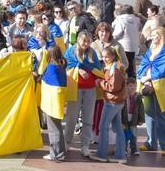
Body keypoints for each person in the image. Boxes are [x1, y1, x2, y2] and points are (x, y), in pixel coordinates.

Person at [137, 27, 165, 156]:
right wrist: (146, 80)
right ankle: (151, 142)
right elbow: (144, 64)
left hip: (162, 86)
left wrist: (149, 77)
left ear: (162, 36)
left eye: (155, 35)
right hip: (148, 84)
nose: (152, 37)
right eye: (152, 35)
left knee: (163, 115)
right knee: (149, 113)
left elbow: (164, 70)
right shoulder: (150, 50)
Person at [64, 30, 100, 158]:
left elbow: (97, 67)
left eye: (88, 41)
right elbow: (66, 65)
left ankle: (85, 145)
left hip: (90, 88)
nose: (86, 43)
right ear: (78, 40)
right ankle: (66, 142)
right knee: (71, 118)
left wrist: (97, 77)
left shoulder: (92, 52)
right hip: (75, 87)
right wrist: (78, 69)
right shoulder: (70, 52)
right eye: (84, 40)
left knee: (88, 118)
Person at [93, 46, 127, 163]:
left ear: (112, 56)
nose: (104, 59)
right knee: (118, 127)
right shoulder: (115, 67)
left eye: (106, 56)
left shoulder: (115, 68)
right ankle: (120, 155)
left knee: (104, 126)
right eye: (102, 56)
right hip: (118, 101)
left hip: (112, 101)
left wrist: (100, 83)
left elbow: (113, 86)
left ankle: (102, 154)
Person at [41, 45, 68, 162]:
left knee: (53, 129)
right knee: (58, 127)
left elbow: (46, 77)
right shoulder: (61, 65)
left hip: (51, 101)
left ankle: (56, 154)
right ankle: (61, 151)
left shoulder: (52, 67)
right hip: (58, 101)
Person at [112, 5, 141, 79]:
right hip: (133, 45)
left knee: (124, 63)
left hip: (123, 45)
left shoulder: (121, 20)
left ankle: (124, 80)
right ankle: (131, 81)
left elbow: (117, 33)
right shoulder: (136, 19)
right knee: (131, 62)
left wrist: (112, 37)